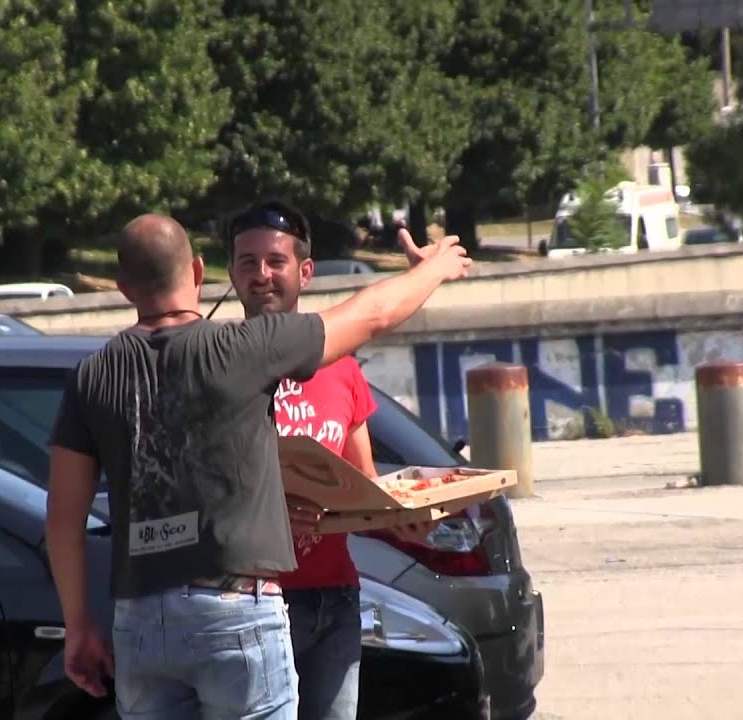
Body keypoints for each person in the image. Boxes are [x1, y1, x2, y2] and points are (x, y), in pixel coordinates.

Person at [45, 213, 471, 720]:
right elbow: (371, 314)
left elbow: (63, 519)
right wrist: (434, 269)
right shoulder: (240, 349)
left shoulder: (91, 376)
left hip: (138, 615)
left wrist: (78, 626)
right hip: (234, 608)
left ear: (123, 288)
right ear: (200, 273)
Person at [226, 200, 437, 720]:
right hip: (251, 603)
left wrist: (400, 521)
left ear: (305, 273)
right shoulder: (219, 362)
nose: (261, 275)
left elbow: (361, 485)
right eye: (247, 262)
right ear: (230, 274)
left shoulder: (340, 368)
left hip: (335, 598)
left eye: (274, 262)